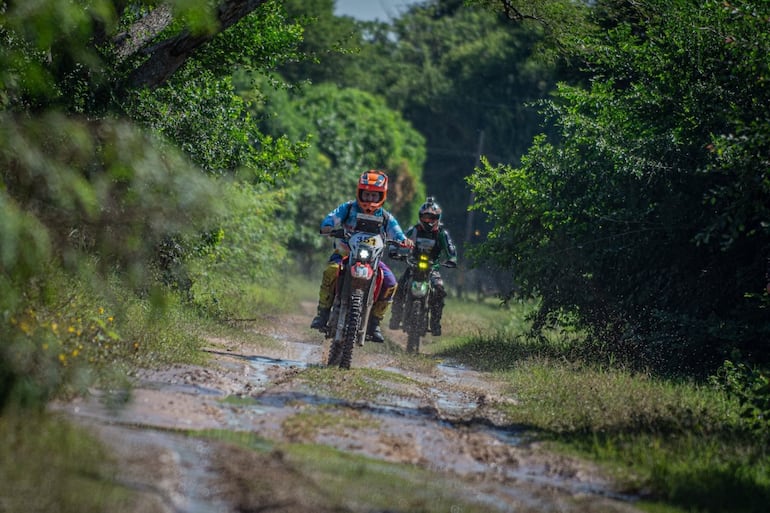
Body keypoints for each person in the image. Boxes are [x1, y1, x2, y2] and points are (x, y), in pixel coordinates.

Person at [310, 170, 413, 343]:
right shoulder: (348, 208)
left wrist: (404, 241)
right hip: (344, 254)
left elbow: (397, 232)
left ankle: (374, 322)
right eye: (366, 194)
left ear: (381, 195)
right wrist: (328, 227)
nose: (370, 199)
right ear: (359, 193)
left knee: (390, 283)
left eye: (374, 195)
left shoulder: (386, 217)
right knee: (331, 271)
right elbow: (330, 219)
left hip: (372, 260)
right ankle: (323, 313)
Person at [389, 196, 457, 336]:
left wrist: (452, 258)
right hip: (413, 266)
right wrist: (394, 249)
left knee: (439, 289)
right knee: (400, 286)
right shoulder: (413, 230)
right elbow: (400, 239)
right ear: (420, 217)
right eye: (425, 217)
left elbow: (450, 248)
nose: (428, 221)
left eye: (432, 218)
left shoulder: (441, 234)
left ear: (437, 218)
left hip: (433, 269)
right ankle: (395, 317)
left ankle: (435, 323)